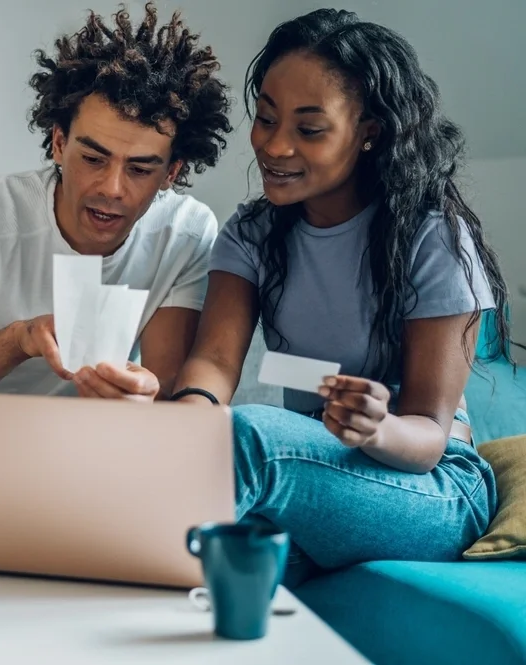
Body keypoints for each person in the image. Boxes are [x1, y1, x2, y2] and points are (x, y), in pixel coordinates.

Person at [156, 9, 517, 584]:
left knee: (247, 436)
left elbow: (427, 436)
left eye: (309, 128)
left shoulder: (431, 239)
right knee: (228, 552)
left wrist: (377, 428)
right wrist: (184, 425)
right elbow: (215, 363)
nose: (274, 146)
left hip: (433, 488)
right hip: (321, 477)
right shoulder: (251, 234)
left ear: (369, 132)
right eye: (266, 118)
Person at [0, 2, 233, 545]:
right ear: (59, 142)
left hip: (93, 447)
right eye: (93, 157)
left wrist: (145, 396)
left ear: (172, 172)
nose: (111, 187)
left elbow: (170, 389)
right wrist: (18, 340)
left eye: (140, 168)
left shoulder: (186, 233)